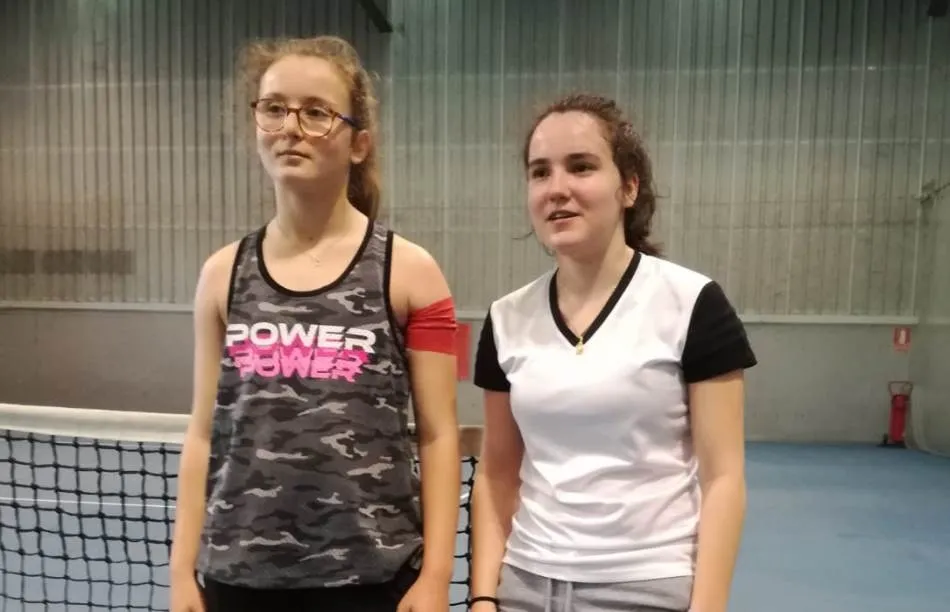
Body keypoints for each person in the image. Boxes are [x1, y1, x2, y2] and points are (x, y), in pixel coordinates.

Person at [168, 35, 461, 612]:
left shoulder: (412, 273)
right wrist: (182, 571)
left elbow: (438, 435)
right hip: (237, 580)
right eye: (274, 108)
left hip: (371, 583)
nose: (291, 127)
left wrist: (436, 577)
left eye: (317, 113)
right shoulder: (221, 275)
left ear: (359, 144)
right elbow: (203, 433)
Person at [469, 93, 757, 612]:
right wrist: (484, 597)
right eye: (540, 172)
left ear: (629, 187)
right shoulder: (506, 319)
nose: (557, 188)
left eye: (581, 167)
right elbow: (496, 473)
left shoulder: (692, 304)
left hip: (647, 588)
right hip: (525, 587)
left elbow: (723, 479)